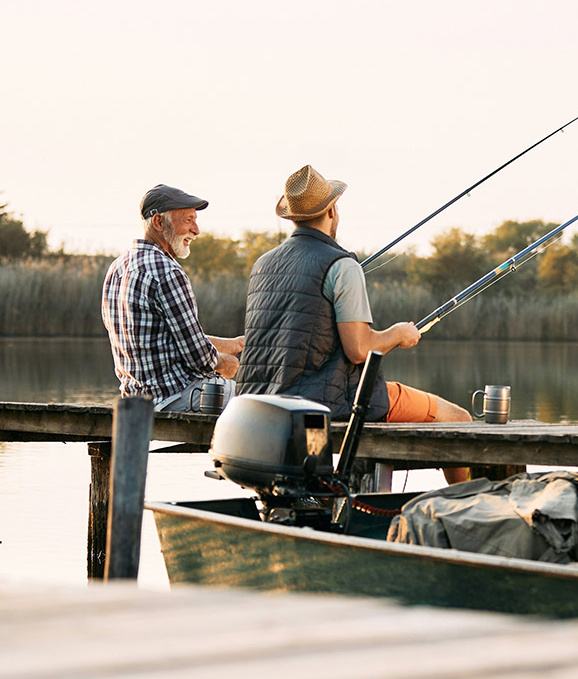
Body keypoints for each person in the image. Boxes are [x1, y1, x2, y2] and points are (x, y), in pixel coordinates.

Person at [235, 165, 471, 484]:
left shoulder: (262, 264)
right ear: (332, 210)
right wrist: (399, 334)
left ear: (293, 217)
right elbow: (359, 349)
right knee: (459, 419)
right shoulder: (342, 265)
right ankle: (466, 511)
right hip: (326, 404)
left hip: (261, 403)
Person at [102, 184, 245, 411]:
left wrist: (234, 344)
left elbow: (166, 338)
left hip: (135, 402)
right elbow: (200, 359)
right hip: (177, 398)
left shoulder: (117, 268)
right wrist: (224, 362)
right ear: (159, 222)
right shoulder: (168, 271)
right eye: (188, 220)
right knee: (262, 401)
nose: (196, 230)